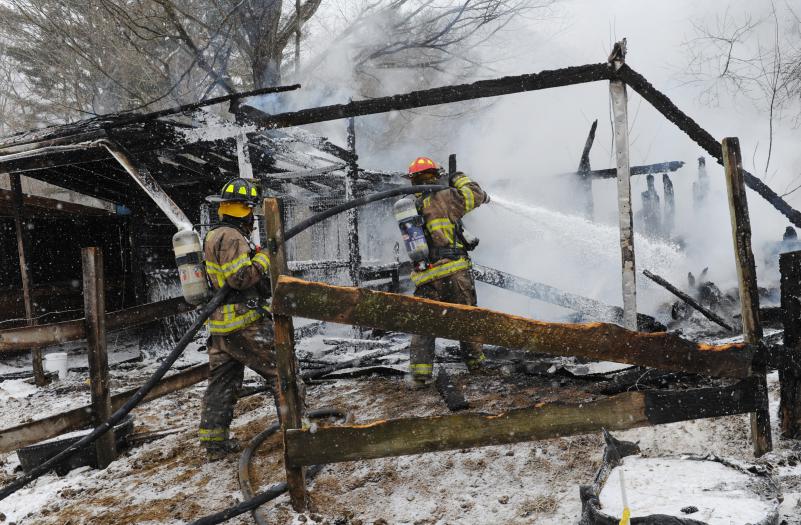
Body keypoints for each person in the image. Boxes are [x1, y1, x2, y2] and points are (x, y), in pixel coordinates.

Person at [199, 178, 276, 460]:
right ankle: (299, 430)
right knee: (282, 372)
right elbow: (240, 278)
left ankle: (214, 444)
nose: (253, 219)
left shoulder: (213, 235)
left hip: (220, 325)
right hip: (243, 323)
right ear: (244, 210)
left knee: (222, 384)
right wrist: (265, 258)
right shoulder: (232, 237)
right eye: (251, 211)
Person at [404, 156, 490, 387]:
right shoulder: (446, 196)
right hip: (454, 271)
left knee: (424, 324)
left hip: (425, 276)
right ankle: (477, 366)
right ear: (435, 175)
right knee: (467, 319)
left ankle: (420, 374)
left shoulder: (409, 205)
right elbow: (476, 194)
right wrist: (458, 177)